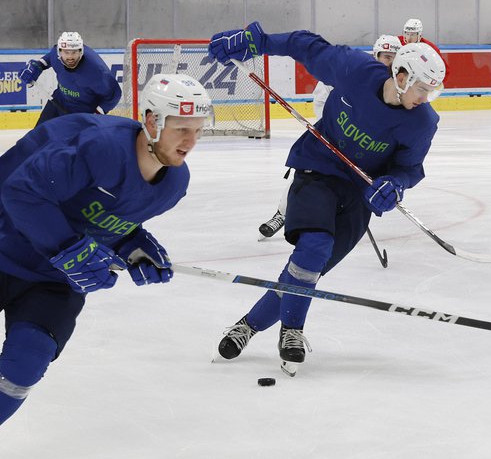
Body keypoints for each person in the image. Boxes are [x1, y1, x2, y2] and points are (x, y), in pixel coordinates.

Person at [209, 22, 445, 375]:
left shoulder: (422, 122)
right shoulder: (356, 70)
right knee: (314, 248)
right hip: (317, 169)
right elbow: (306, 46)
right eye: (422, 88)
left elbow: (409, 168)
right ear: (401, 74)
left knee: (305, 271)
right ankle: (293, 330)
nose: (424, 98)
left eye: (431, 92)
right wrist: (256, 40)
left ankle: (247, 326)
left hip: (358, 194)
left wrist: (393, 184)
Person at [0, 74, 213, 425]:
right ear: (151, 121)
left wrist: (131, 247)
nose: (191, 141)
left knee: (27, 362)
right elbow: (21, 192)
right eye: (181, 129)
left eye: (198, 130)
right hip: (6, 244)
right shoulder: (101, 147)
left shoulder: (174, 184)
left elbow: (108, 219)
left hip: (52, 280)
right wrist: (69, 247)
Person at [258, 34, 404, 238]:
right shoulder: (356, 71)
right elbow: (321, 99)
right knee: (308, 174)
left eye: (393, 57)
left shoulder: (398, 88)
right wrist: (333, 129)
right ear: (376, 54)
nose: (389, 62)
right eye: (386, 56)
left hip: (361, 147)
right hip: (332, 137)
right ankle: (282, 213)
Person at [18, 31, 122, 126]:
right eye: (66, 52)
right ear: (59, 52)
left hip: (84, 111)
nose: (70, 57)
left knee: (74, 145)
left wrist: (96, 114)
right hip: (59, 101)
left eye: (74, 52)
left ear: (81, 51)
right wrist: (37, 66)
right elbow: (48, 59)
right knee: (40, 135)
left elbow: (114, 95)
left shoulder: (97, 71)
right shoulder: (55, 54)